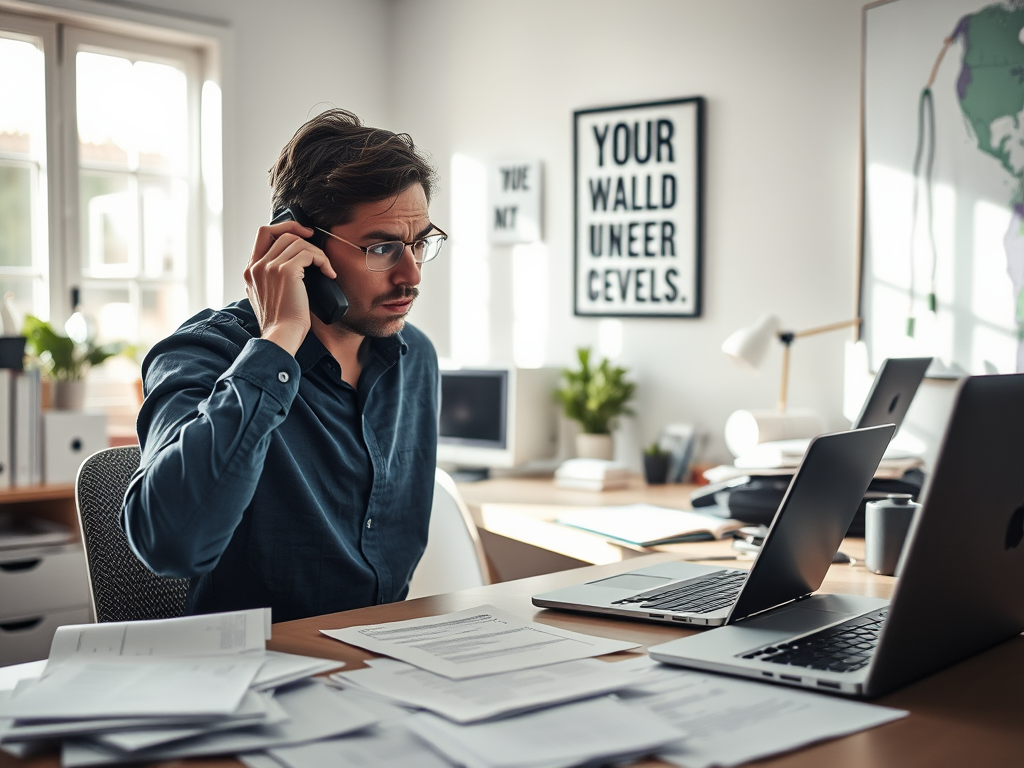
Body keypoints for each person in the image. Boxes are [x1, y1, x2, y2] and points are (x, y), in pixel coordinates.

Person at [122, 109, 444, 622]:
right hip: (258, 675)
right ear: (299, 245)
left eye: (420, 243)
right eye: (382, 248)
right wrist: (278, 341)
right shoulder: (201, 354)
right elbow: (171, 546)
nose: (411, 275)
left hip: (383, 663)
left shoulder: (414, 357)